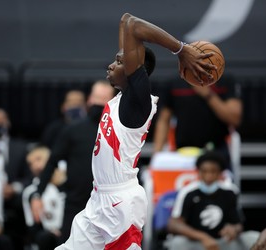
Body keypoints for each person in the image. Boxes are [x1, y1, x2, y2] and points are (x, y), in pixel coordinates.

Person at [52, 13, 218, 250]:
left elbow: (135, 27)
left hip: (120, 203)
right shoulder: (121, 97)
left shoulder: (137, 99)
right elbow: (125, 20)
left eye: (120, 62)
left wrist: (181, 50)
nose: (112, 64)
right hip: (98, 199)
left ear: (134, 70)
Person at [30, 80, 115, 244]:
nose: (98, 103)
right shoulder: (73, 130)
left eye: (103, 99)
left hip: (108, 205)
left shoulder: (117, 131)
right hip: (76, 203)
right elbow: (52, 162)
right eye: (96, 98)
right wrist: (38, 194)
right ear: (89, 100)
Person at [167, 151, 259, 250]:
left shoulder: (230, 191)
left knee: (255, 238)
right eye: (204, 171)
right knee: (178, 243)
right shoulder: (188, 192)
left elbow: (239, 224)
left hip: (222, 242)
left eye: (213, 171)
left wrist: (233, 230)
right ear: (198, 172)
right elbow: (174, 224)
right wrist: (203, 237)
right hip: (197, 242)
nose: (208, 176)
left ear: (220, 173)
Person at [152, 74, 242, 171]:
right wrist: (156, 155)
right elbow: (164, 121)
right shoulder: (174, 84)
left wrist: (208, 94)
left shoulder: (226, 82)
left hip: (217, 152)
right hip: (183, 154)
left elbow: (234, 118)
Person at [0, 108, 31, 247]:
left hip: (13, 202)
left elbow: (29, 177)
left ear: (9, 123)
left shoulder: (21, 147)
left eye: (2, 120)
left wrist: (14, 188)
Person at [22, 145, 66, 250]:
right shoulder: (32, 191)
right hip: (47, 235)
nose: (35, 165)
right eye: (31, 163)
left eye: (38, 159)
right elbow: (35, 223)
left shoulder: (69, 184)